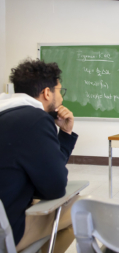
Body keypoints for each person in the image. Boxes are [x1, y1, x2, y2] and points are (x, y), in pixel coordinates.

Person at [0, 59, 78, 252]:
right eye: (60, 91)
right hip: (7, 230)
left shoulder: (7, 112)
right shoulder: (35, 120)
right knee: (82, 208)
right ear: (47, 92)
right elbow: (55, 187)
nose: (61, 98)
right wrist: (66, 135)